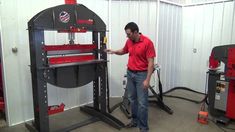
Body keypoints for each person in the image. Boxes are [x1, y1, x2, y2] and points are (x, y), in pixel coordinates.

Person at [105, 22, 156, 132]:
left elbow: (151, 63)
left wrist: (147, 80)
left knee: (142, 103)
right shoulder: (129, 41)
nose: (127, 36)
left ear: (136, 32)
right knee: (132, 100)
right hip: (130, 73)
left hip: (141, 75)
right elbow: (123, 51)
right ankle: (134, 121)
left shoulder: (148, 43)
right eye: (126, 34)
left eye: (128, 34)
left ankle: (143, 128)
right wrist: (113, 51)